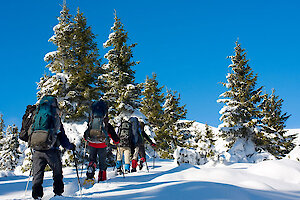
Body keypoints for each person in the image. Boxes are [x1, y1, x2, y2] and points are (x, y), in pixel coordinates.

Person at [26, 95, 75, 200]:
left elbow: (28, 132)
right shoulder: (55, 118)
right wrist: (70, 146)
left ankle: (36, 196)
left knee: (37, 175)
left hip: (37, 150)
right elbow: (62, 138)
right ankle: (58, 195)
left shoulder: (36, 116)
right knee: (57, 173)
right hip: (52, 151)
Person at [84, 100, 119, 183]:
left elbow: (87, 132)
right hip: (102, 144)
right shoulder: (105, 123)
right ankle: (102, 179)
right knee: (102, 162)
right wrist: (116, 141)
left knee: (92, 159)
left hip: (92, 142)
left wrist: (86, 138)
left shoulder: (91, 122)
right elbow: (111, 133)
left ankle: (90, 174)